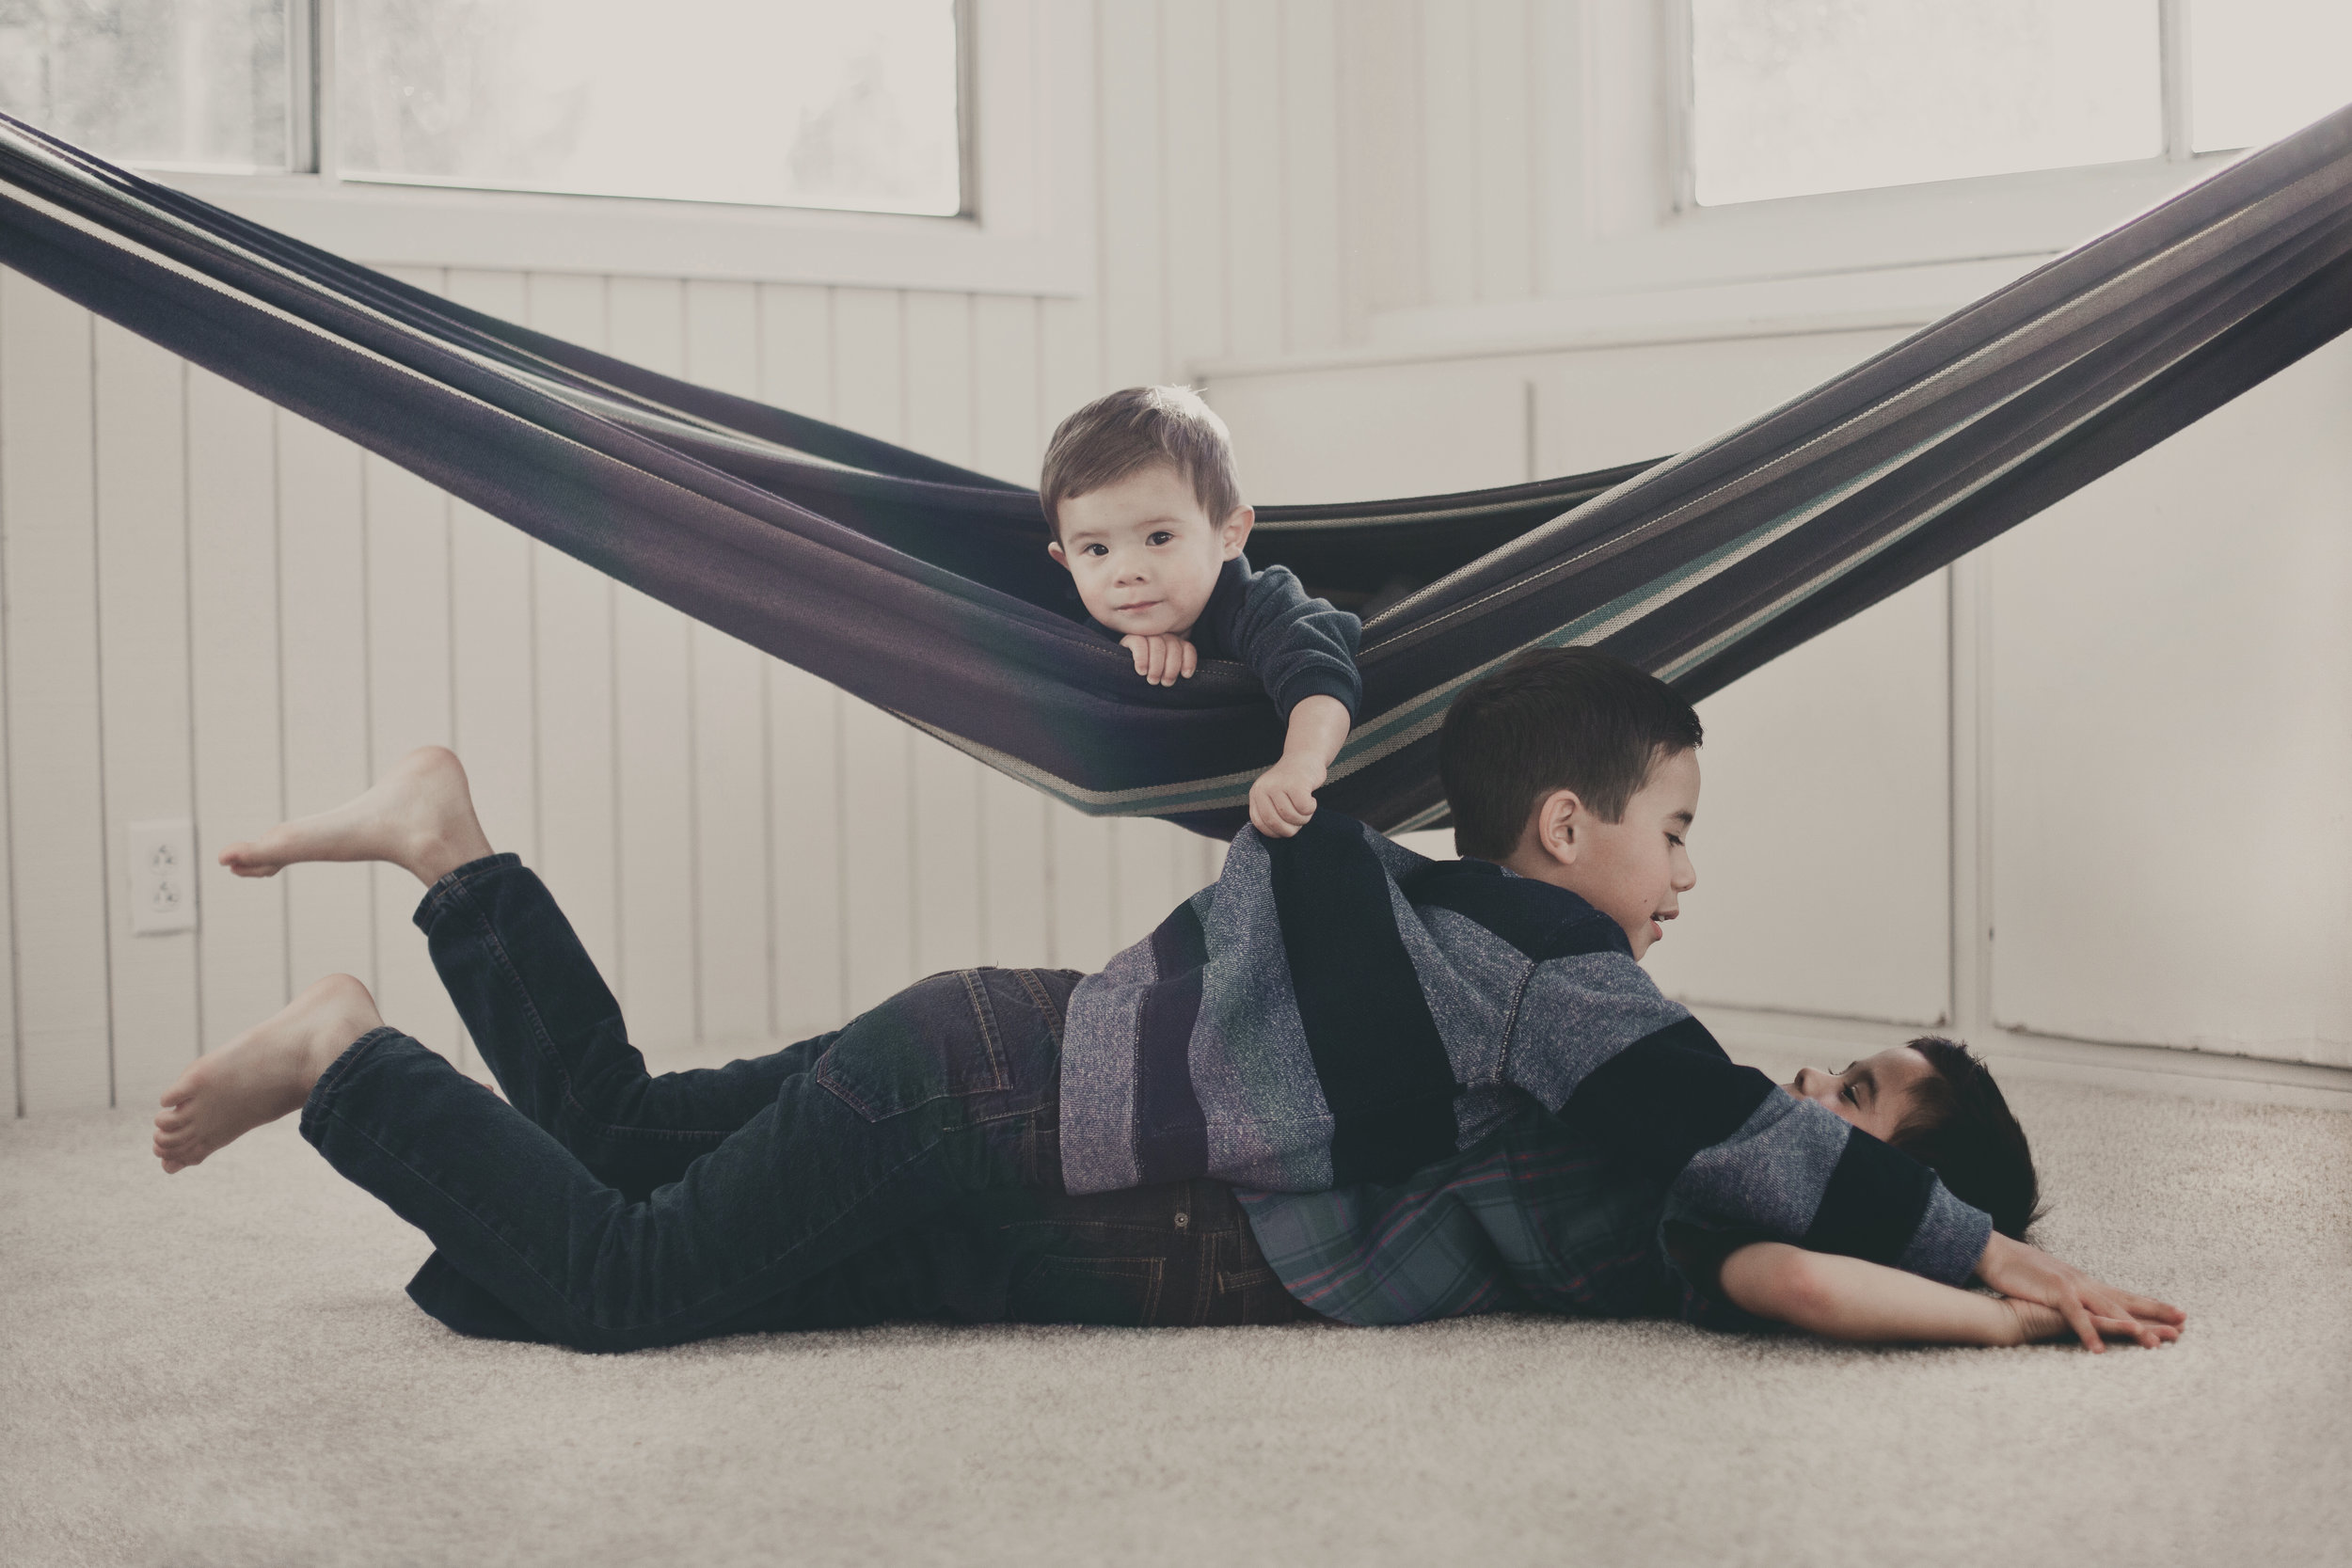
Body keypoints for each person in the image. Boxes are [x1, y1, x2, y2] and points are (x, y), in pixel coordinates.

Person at [151, 656, 2182, 1354]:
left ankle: (454, 857)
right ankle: (354, 1054)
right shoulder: (1587, 1001)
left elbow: (1790, 1224)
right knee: (620, 1276)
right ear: (1569, 830)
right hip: (990, 1102)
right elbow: (1796, 1240)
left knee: (601, 1155)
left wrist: (1976, 1256)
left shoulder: (1550, 984)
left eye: (1858, 1106)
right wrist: (2008, 1276)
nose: (1809, 1090)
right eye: (1673, 827)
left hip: (992, 1056)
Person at [1041, 384, 1359, 838]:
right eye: (1096, 548)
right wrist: (1122, 652)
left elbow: (1319, 675)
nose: (1127, 572)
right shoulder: (1086, 646)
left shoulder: (1263, 604)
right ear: (1065, 562)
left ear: (1229, 534)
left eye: (1159, 538)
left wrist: (1300, 763)